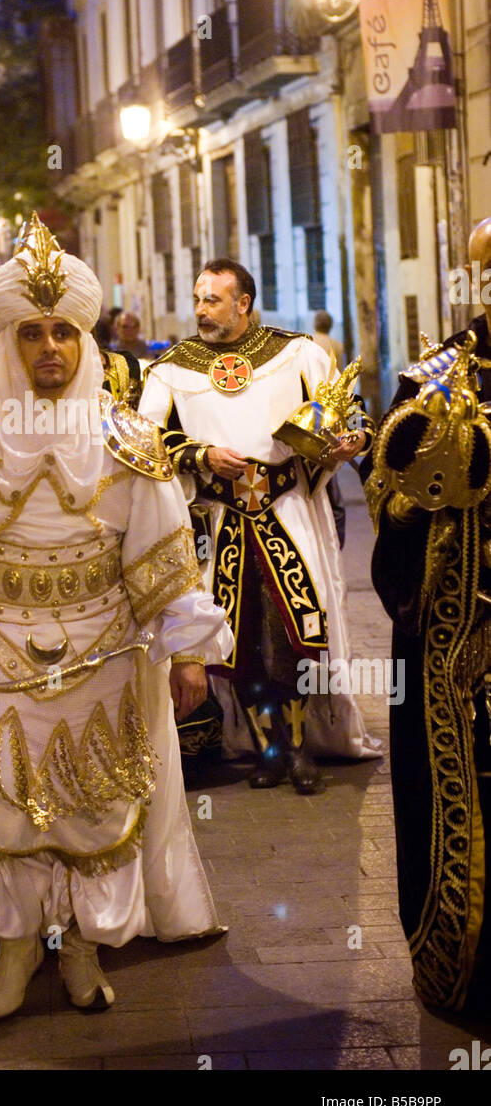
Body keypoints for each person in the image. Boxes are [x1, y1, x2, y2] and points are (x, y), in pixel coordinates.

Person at [0, 213, 234, 1018]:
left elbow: (164, 556)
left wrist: (192, 651)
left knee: (93, 811)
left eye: (62, 332)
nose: (49, 350)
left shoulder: (131, 441)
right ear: (7, 343)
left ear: (84, 340)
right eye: (31, 334)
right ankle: (14, 946)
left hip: (105, 654)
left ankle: (82, 947)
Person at [140, 257, 380, 793]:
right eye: (198, 299)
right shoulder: (172, 368)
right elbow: (146, 440)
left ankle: (297, 748)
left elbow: (349, 411)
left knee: (294, 635)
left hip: (288, 513)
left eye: (213, 300)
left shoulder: (297, 353)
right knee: (236, 642)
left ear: (243, 304)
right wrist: (200, 455)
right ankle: (267, 749)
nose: (201, 310)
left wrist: (352, 440)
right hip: (220, 522)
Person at [361, 217, 491, 1013]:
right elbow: (385, 494)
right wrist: (425, 477)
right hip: (463, 637)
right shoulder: (441, 376)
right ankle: (467, 966)